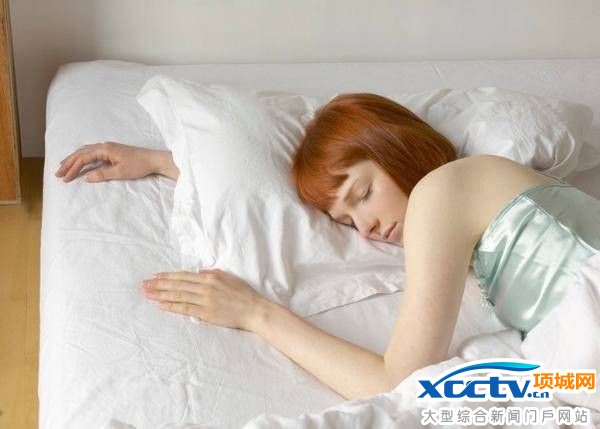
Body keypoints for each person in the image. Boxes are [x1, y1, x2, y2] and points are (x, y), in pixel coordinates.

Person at [55, 93, 600, 401]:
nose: (367, 227)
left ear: (395, 146)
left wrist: (257, 313)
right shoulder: (472, 192)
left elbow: (398, 382)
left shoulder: (441, 191)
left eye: (362, 194)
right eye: (345, 220)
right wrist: (160, 161)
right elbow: (256, 192)